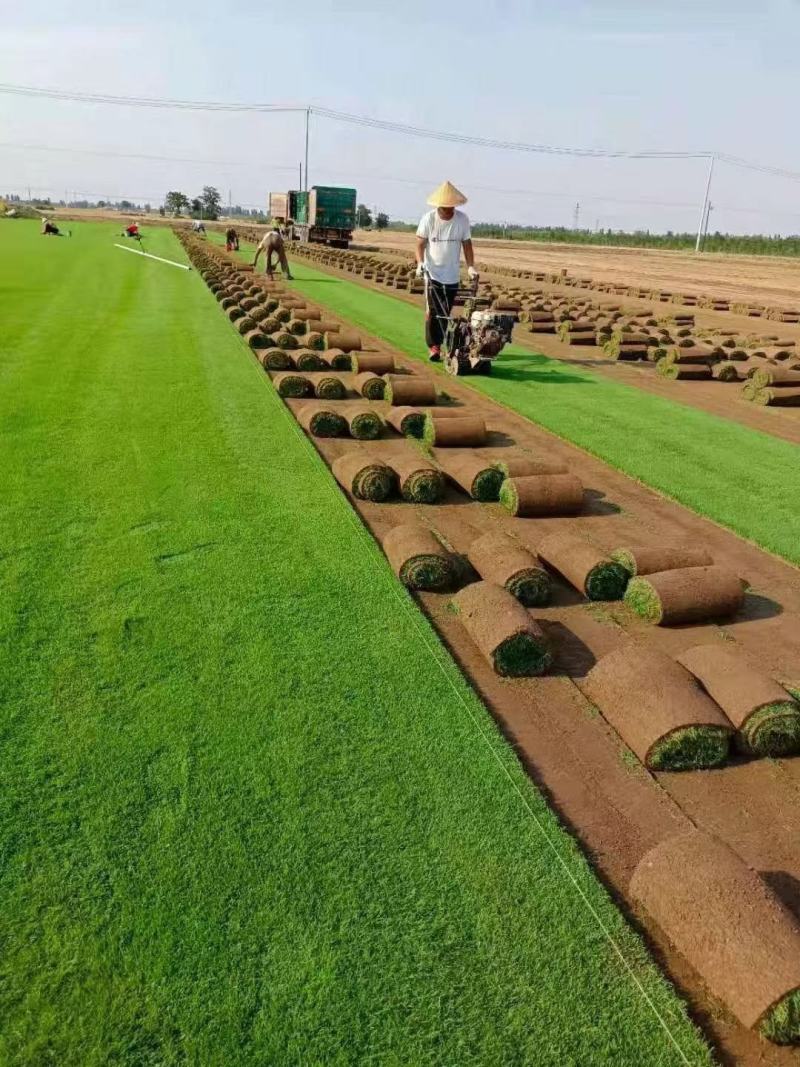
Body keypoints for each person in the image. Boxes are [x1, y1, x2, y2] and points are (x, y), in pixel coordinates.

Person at [415, 180, 478, 361]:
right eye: (446, 208)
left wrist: (471, 266)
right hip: (432, 272)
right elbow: (419, 244)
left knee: (446, 310)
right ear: (439, 206)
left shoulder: (462, 220)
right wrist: (420, 263)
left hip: (452, 274)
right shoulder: (428, 219)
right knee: (435, 310)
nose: (449, 211)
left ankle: (449, 342)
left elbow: (467, 245)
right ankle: (434, 346)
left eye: (452, 207)